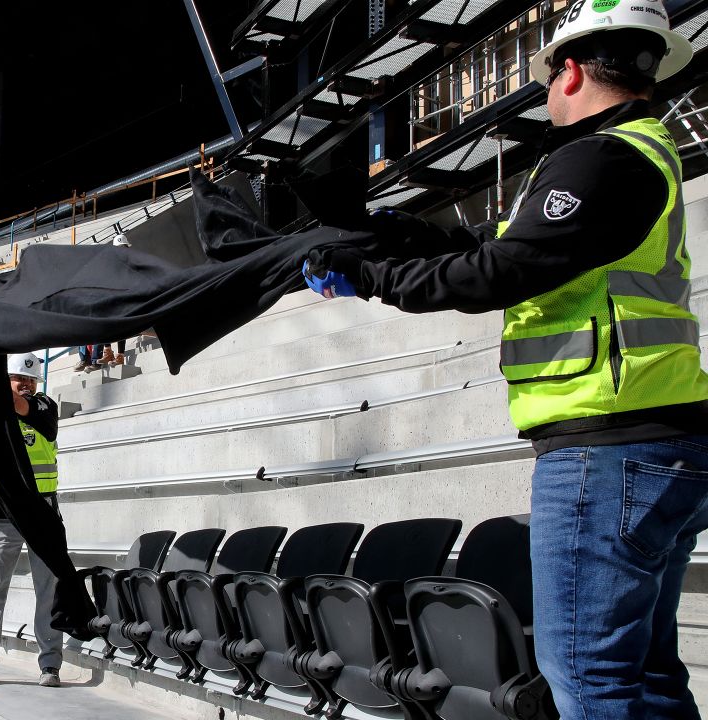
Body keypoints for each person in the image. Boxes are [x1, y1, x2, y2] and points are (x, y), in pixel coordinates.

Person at [302, 3, 707, 717]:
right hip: (654, 440)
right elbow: (503, 246)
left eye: (550, 75)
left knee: (587, 676)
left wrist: (373, 279)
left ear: (573, 71)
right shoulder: (638, 153)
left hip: (606, 445)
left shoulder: (602, 157)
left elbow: (502, 271)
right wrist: (405, 236)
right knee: (644, 673)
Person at [0, 352, 63, 688]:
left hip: (42, 511)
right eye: (17, 379)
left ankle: (50, 664)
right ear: (6, 380)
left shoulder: (44, 406)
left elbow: (21, 408)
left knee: (48, 590)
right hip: (1, 511)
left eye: (31, 379)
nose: (25, 385)